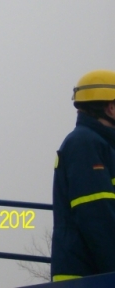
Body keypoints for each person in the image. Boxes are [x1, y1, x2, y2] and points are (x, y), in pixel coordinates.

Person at [51, 69, 115, 281]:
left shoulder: (100, 145)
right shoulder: (85, 144)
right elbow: (96, 215)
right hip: (86, 275)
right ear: (111, 108)